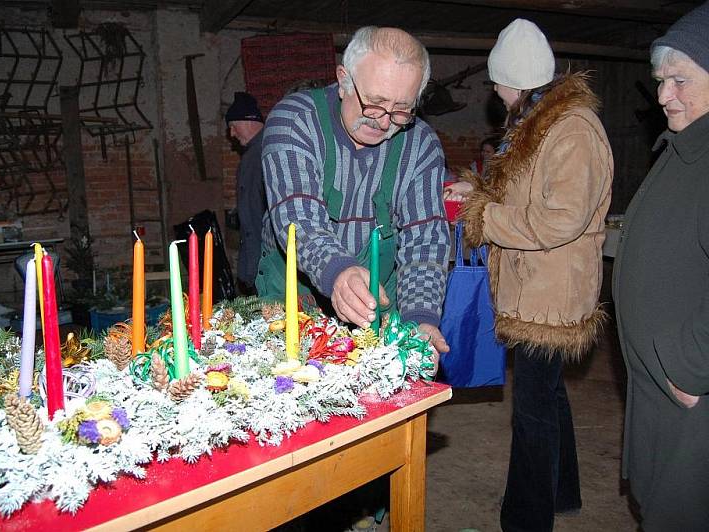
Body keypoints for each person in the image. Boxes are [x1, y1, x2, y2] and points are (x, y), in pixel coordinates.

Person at [447, 18, 613, 531]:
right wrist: (476, 194)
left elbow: (559, 219)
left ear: (516, 79)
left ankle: (526, 519)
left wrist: (482, 217)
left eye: (499, 81)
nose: (495, 92)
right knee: (549, 395)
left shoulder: (572, 130)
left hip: (552, 291)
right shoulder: (543, 122)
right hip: (538, 281)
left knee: (533, 410)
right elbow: (527, 195)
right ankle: (563, 493)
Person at [257, 26, 451, 362]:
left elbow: (426, 239)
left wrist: (421, 318)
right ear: (344, 79)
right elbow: (298, 218)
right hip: (294, 302)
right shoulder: (294, 121)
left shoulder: (420, 145)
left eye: (401, 110)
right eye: (374, 103)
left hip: (382, 305)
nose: (383, 121)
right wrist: (339, 272)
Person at [612, 3, 709, 530]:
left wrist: (690, 364)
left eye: (680, 80)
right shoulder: (687, 144)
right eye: (660, 80)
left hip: (694, 396)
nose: (664, 95)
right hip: (665, 390)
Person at [225, 91, 265, 295]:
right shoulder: (252, 155)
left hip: (265, 264)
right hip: (257, 264)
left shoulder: (265, 152)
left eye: (234, 126)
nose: (232, 133)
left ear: (249, 120)